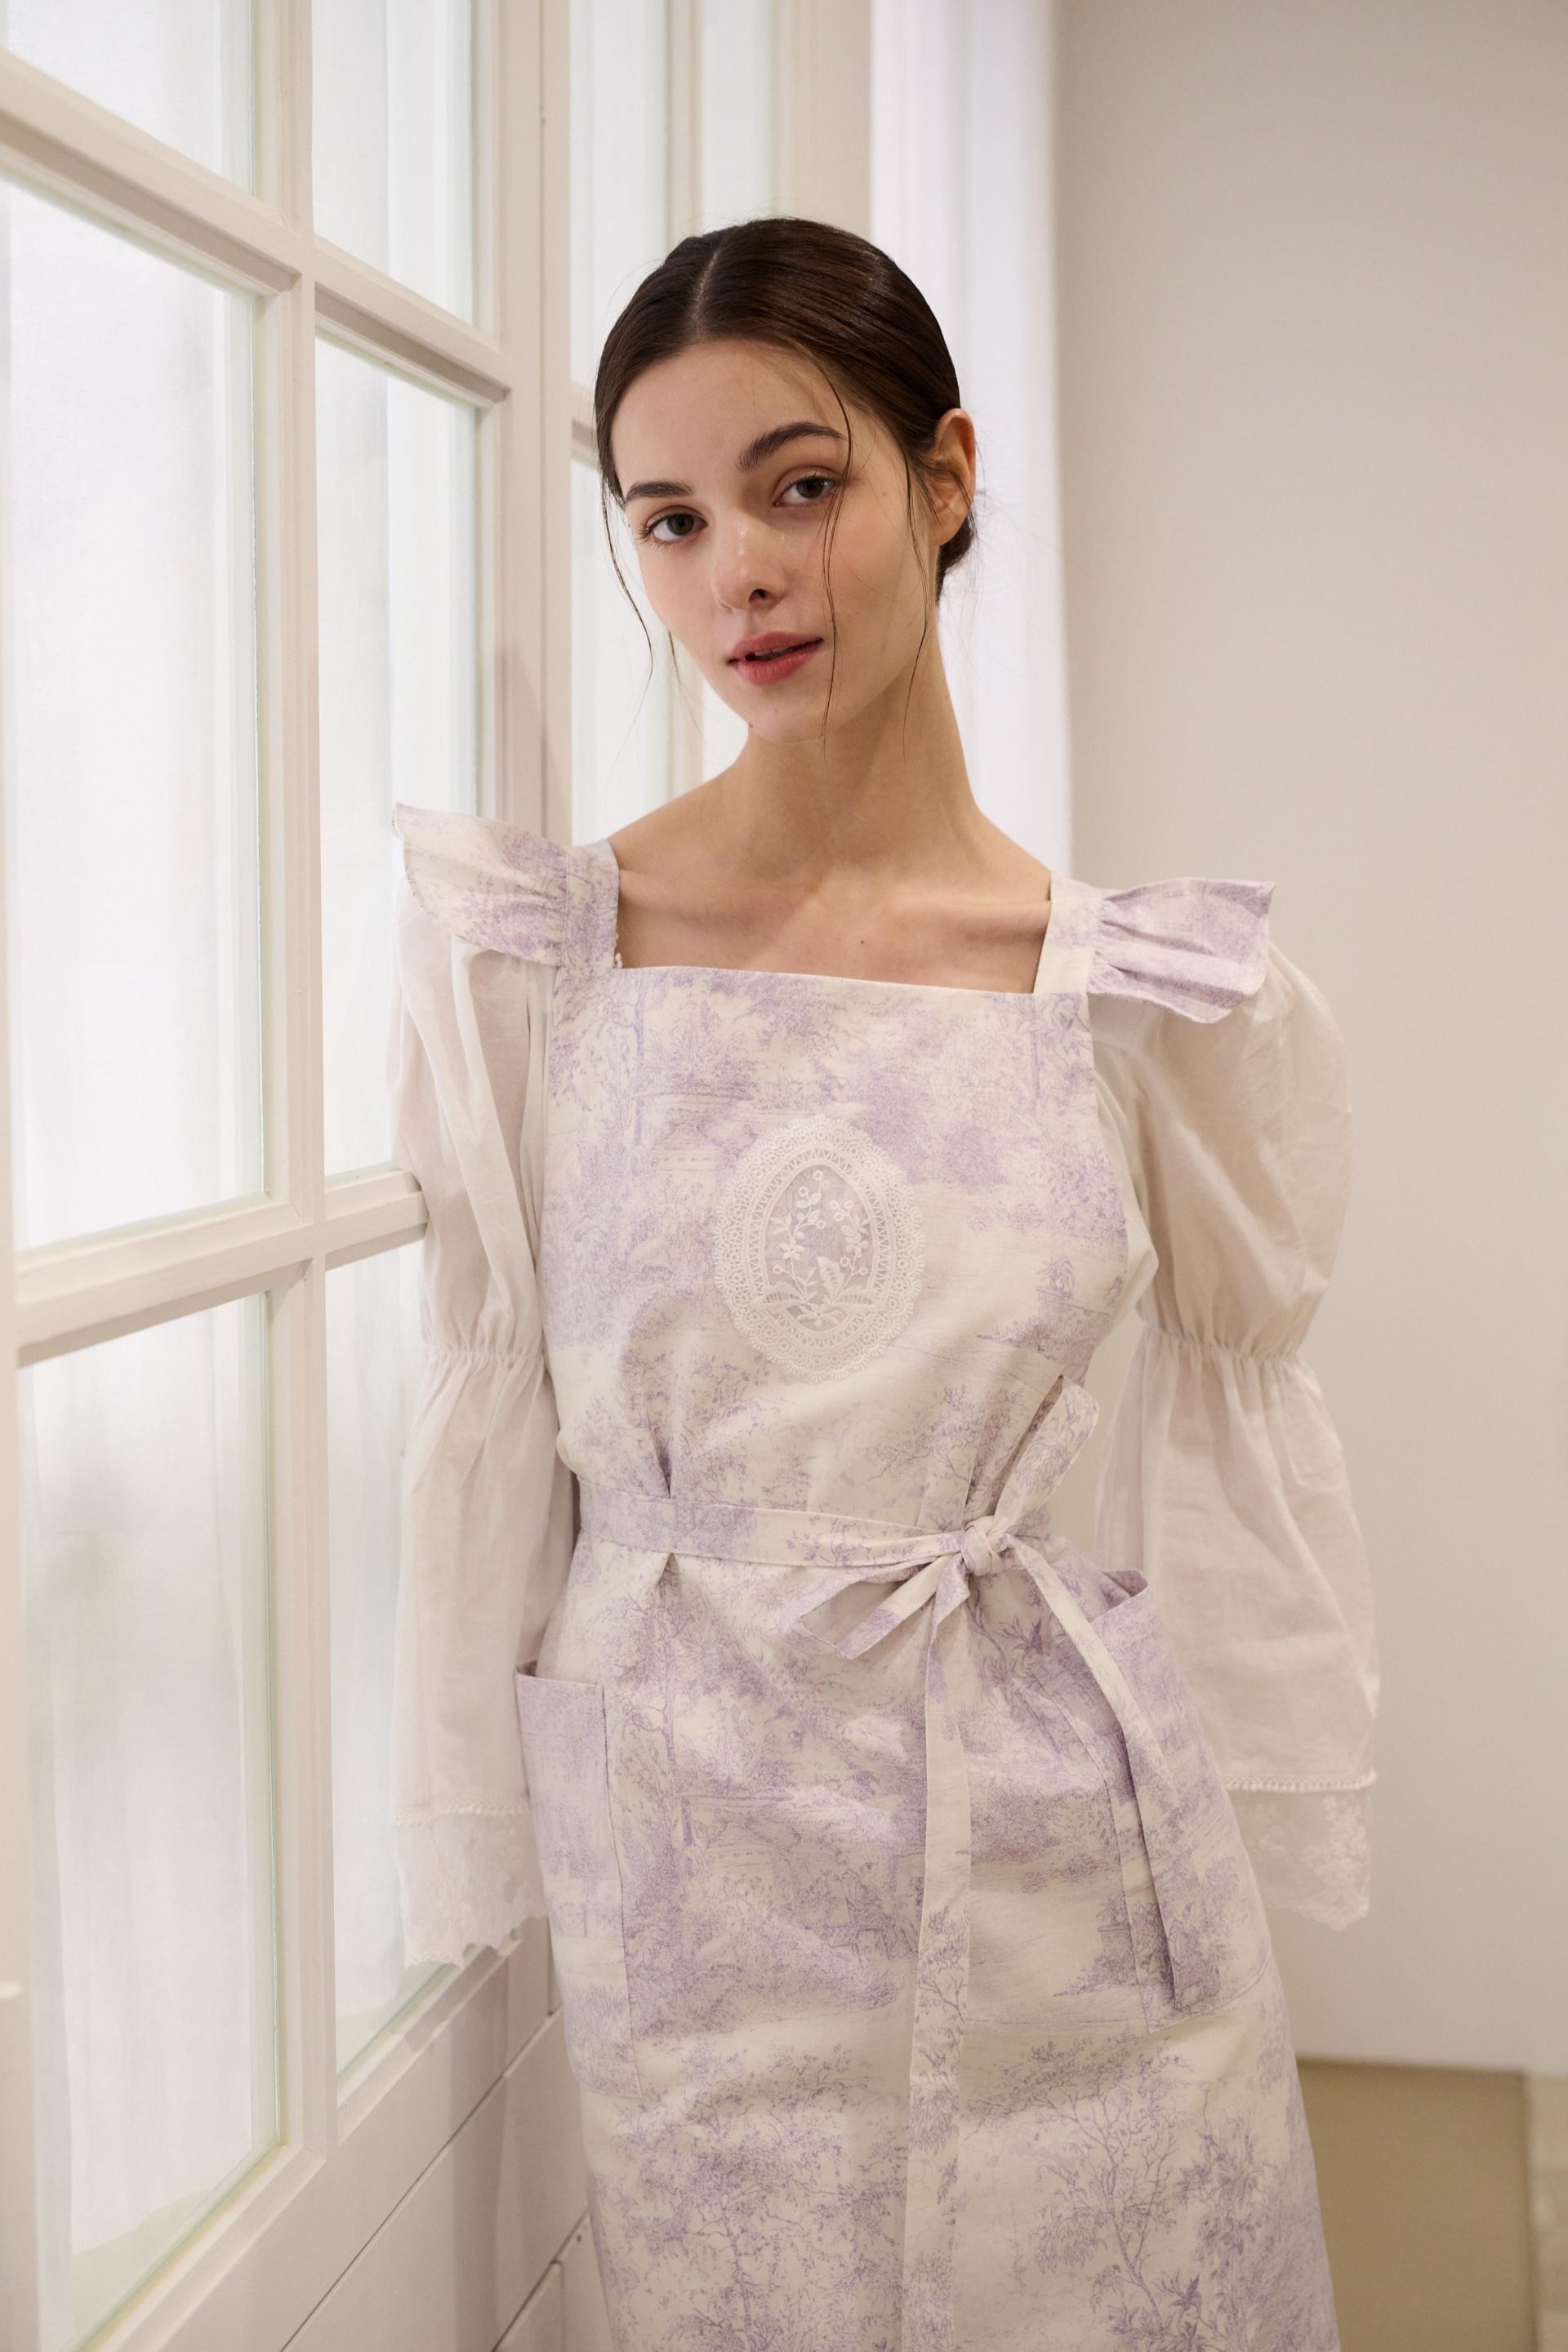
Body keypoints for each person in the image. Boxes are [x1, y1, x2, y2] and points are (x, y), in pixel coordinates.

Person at [384, 215, 1378, 2352]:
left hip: (1061, 1875)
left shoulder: (1145, 997)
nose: (736, 572)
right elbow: (490, 1420)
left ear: (946, 479)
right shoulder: (538, 967)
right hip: (695, 1886)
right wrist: (476, 1803)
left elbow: (1231, 1425)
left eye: (801, 484)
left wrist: (1271, 1773)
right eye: (670, 519)